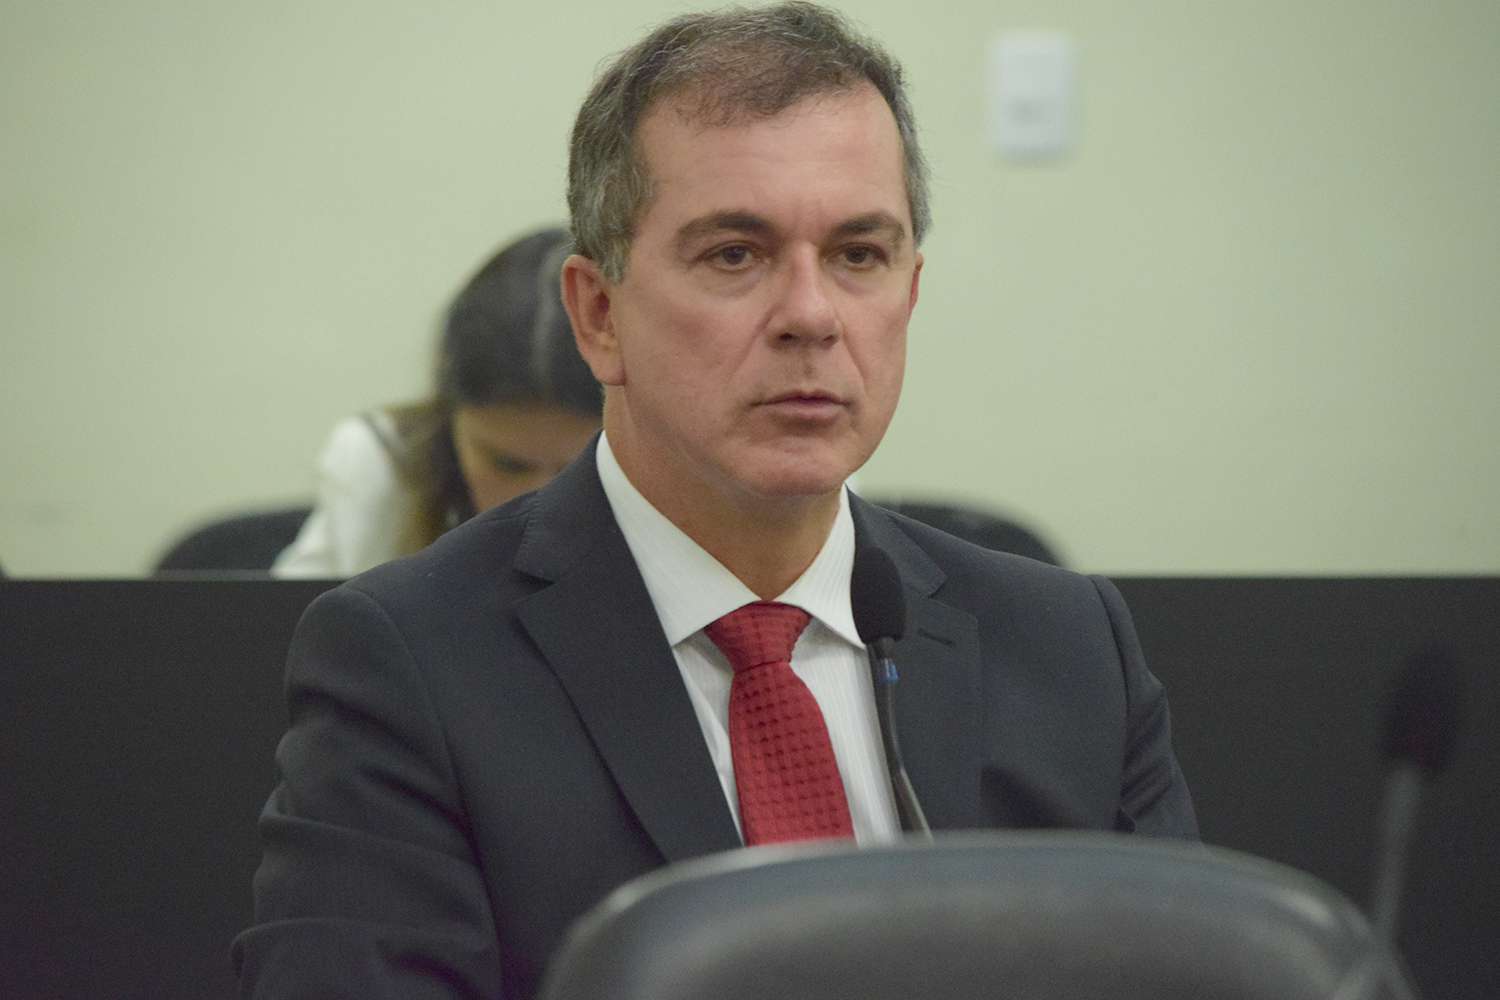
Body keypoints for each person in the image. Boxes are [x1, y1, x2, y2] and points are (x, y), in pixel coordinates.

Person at [235, 5, 1196, 998]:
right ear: (598, 316)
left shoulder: (1067, 647)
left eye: (859, 255)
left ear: (910, 293)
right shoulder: (411, 662)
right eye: (735, 254)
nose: (811, 316)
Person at [271, 227, 602, 577]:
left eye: (579, 471)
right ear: (450, 415)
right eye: (507, 465)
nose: (542, 504)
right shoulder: (384, 469)